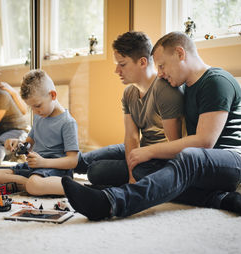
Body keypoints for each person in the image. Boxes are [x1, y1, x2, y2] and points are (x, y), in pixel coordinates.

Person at [62, 31, 241, 220]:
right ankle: (219, 199)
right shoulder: (185, 88)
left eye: (162, 66)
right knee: (146, 171)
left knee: (189, 156)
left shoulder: (216, 81)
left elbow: (204, 142)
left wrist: (149, 151)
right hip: (214, 170)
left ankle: (112, 202)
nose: (159, 73)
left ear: (180, 53)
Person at [75, 31, 184, 187]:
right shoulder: (129, 93)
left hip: (159, 158)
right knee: (82, 161)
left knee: (95, 172)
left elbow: (175, 147)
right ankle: (34, 168)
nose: (117, 71)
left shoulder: (164, 89)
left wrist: (133, 177)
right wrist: (131, 173)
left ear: (142, 62)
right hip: (141, 149)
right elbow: (131, 137)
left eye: (122, 64)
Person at [0, 69, 79, 196]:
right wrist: (18, 143)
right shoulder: (39, 117)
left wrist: (44, 162)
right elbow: (29, 144)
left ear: (53, 95)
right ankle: (32, 186)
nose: (35, 112)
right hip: (36, 168)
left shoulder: (67, 122)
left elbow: (73, 161)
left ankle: (64, 187)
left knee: (34, 183)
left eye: (37, 106)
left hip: (56, 169)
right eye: (31, 108)